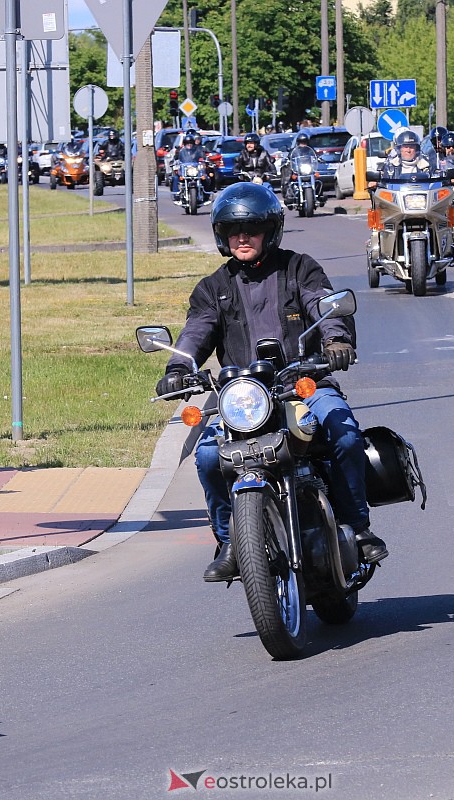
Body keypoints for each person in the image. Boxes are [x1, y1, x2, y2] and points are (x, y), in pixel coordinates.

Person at [154, 183, 387, 581]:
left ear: (270, 231)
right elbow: (197, 330)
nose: (242, 238)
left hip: (303, 385)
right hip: (243, 399)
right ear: (222, 235)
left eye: (252, 229)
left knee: (344, 434)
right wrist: (178, 368)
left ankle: (358, 528)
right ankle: (231, 541)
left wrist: (335, 340)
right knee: (209, 458)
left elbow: (323, 304)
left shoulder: (300, 268)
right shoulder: (213, 287)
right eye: (233, 230)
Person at [171, 131, 212, 196]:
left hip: (195, 169)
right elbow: (176, 158)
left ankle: (206, 193)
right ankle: (176, 194)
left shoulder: (198, 150)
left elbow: (203, 156)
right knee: (175, 178)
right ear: (185, 144)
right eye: (187, 143)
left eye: (191, 143)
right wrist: (173, 161)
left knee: (205, 178)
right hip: (184, 170)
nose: (189, 145)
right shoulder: (181, 151)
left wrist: (206, 160)